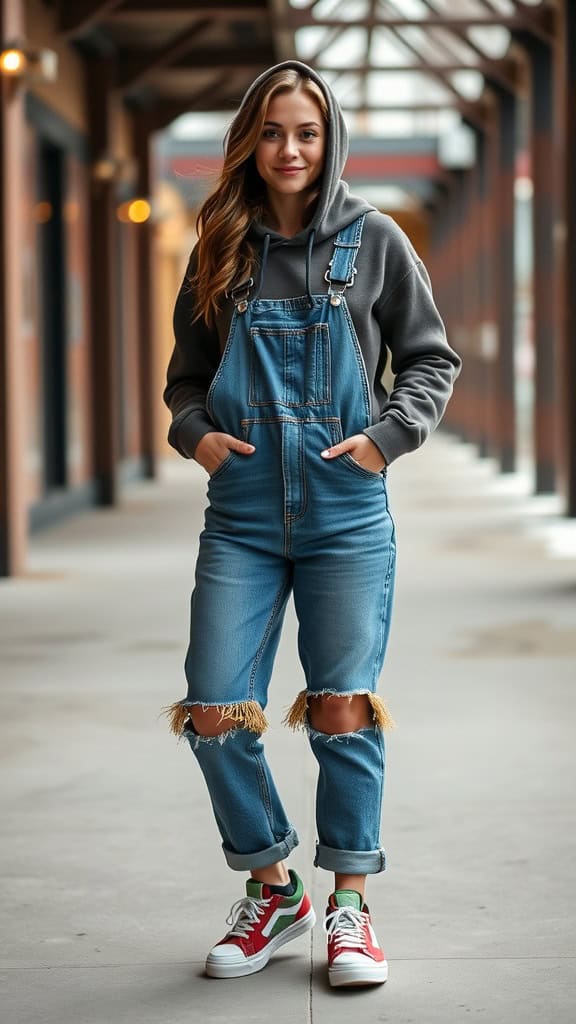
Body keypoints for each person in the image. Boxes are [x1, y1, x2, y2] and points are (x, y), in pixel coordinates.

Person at [163, 60, 461, 988]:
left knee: (341, 708)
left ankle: (351, 908)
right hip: (243, 516)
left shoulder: (373, 240)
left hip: (345, 514)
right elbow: (184, 378)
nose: (290, 149)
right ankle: (272, 886)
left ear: (329, 141)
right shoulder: (220, 242)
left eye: (308, 132)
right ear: (249, 140)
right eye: (273, 131)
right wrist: (198, 439)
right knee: (213, 707)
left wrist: (386, 440)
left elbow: (430, 359)